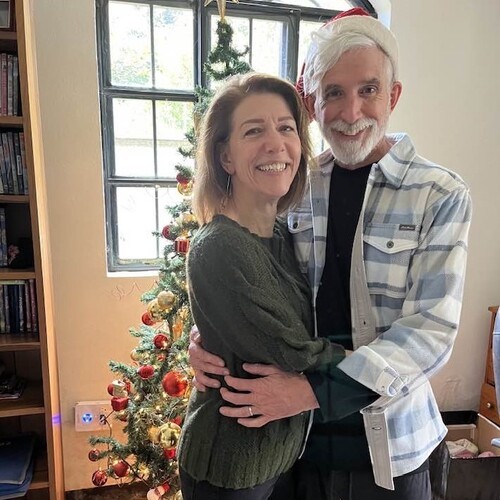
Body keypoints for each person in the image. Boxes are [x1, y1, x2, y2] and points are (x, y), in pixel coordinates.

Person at [188, 8, 473, 500]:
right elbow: (255, 276)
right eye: (334, 93)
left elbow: (430, 333)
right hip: (297, 450)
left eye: (368, 90)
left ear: (393, 96)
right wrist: (209, 338)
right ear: (312, 102)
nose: (351, 112)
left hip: (393, 451)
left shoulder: (439, 194)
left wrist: (311, 391)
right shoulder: (293, 186)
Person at [177, 72, 346, 500]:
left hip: (281, 455)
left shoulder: (283, 235)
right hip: (231, 467)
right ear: (226, 157)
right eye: (254, 131)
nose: (275, 144)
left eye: (286, 128)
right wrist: (373, 362)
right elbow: (293, 350)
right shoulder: (220, 246)